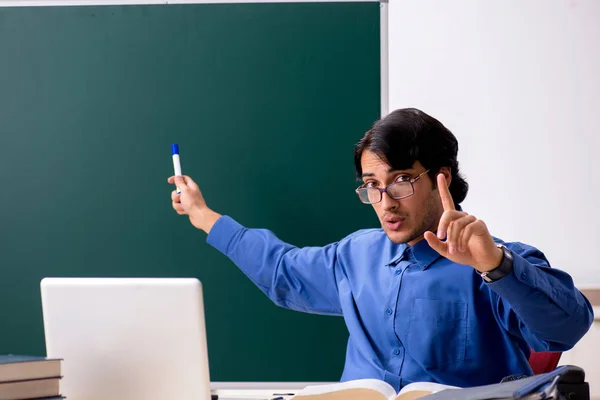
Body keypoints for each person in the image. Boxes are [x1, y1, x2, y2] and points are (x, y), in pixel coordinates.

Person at [168, 108, 593, 391]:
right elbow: (281, 270)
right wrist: (204, 215)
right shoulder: (355, 257)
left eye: (401, 180)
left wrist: (497, 266)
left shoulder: (495, 259)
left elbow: (567, 328)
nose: (386, 201)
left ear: (440, 178)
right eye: (372, 186)